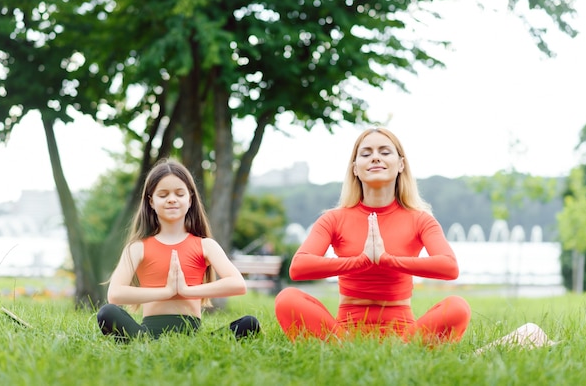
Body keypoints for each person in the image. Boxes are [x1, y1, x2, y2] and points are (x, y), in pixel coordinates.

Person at [274, 127, 471, 344]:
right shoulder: (333, 218)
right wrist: (360, 262)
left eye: (385, 152)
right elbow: (299, 267)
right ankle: (342, 351)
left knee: (458, 307)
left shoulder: (420, 219)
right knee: (287, 299)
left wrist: (387, 260)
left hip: (404, 336)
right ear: (355, 169)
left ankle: (402, 352)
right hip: (344, 334)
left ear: (401, 165)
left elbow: (449, 267)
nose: (375, 157)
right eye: (366, 154)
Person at [97, 158, 260, 342]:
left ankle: (191, 348)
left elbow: (238, 284)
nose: (172, 199)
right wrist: (166, 292)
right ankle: (144, 344)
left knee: (249, 324)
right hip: (148, 335)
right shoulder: (137, 247)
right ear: (151, 201)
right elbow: (115, 294)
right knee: (107, 313)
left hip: (194, 340)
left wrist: (186, 290)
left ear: (190, 199)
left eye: (179, 194)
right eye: (163, 194)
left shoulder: (205, 245)